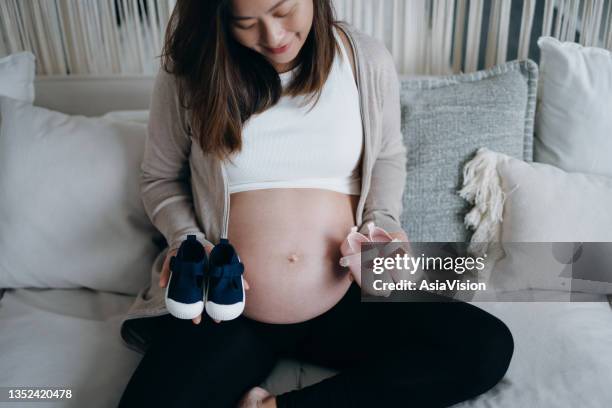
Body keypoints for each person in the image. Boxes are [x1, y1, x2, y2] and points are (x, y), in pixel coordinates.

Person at [118, 0, 514, 407]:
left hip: (345, 301)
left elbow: (388, 156)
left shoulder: (365, 60)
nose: (273, 37)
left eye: (283, 10)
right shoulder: (191, 71)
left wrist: (382, 222)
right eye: (246, 23)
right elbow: (160, 178)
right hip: (230, 308)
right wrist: (188, 240)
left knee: (485, 347)